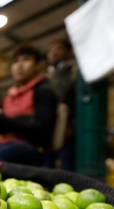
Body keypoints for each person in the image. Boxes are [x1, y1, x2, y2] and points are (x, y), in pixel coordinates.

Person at [46, 38, 77, 171]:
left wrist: (71, 125)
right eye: (51, 50)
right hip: (49, 127)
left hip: (66, 126)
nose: (54, 52)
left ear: (69, 52)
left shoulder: (73, 73)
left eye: (58, 48)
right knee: (47, 162)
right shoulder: (49, 74)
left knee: (67, 162)